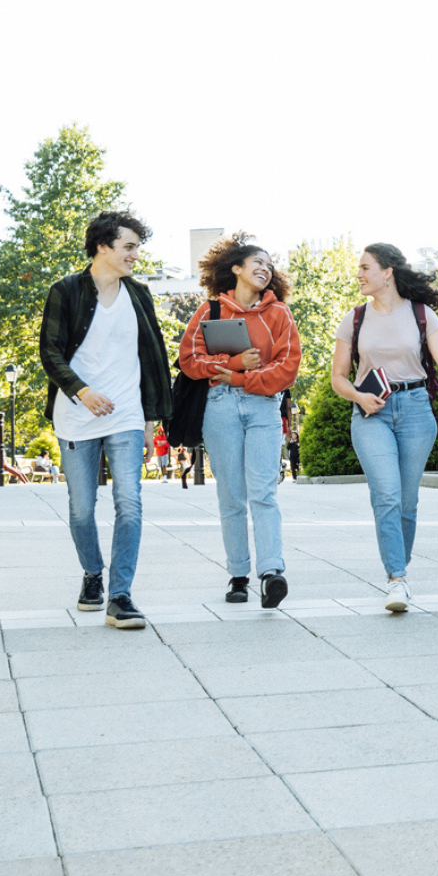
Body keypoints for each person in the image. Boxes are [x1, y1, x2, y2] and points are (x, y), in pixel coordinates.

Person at [37, 211, 175, 630]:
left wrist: (151, 422)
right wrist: (82, 390)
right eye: (129, 246)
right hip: (77, 415)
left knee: (129, 504)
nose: (135, 255)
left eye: (137, 247)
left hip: (127, 415)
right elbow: (50, 352)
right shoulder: (65, 291)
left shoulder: (139, 295)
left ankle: (120, 595)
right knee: (82, 509)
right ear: (103, 247)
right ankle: (93, 573)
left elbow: (152, 360)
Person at [328, 243, 438, 613]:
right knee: (387, 495)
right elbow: (338, 378)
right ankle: (397, 579)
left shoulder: (421, 314)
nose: (359, 274)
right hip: (372, 413)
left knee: (407, 502)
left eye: (365, 267)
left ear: (387, 271)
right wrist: (359, 397)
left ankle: (398, 572)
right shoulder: (354, 319)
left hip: (417, 410)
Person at [179, 233, 302, 609]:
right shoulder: (210, 311)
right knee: (230, 494)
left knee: (263, 491)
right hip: (219, 407)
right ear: (236, 268)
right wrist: (234, 365)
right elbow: (189, 361)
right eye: (257, 263)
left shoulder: (279, 313)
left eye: (269, 265)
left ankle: (271, 573)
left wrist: (242, 378)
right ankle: (238, 574)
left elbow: (288, 368)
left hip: (263, 406)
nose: (265, 269)